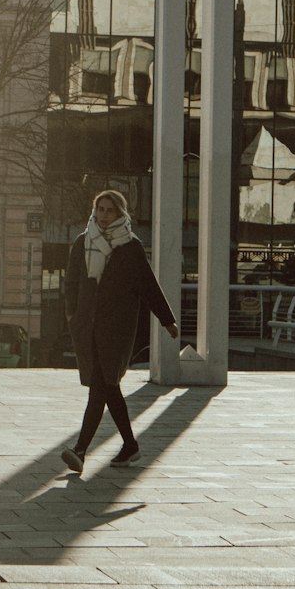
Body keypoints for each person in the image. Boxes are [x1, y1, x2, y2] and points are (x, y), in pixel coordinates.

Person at [61, 189, 178, 473]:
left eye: (109, 210)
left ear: (120, 213)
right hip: (88, 326)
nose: (103, 215)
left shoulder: (130, 247)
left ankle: (80, 450)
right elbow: (72, 282)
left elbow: (148, 286)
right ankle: (130, 446)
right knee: (109, 387)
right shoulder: (83, 241)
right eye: (100, 209)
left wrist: (166, 319)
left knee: (100, 387)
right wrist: (72, 314)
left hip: (117, 329)